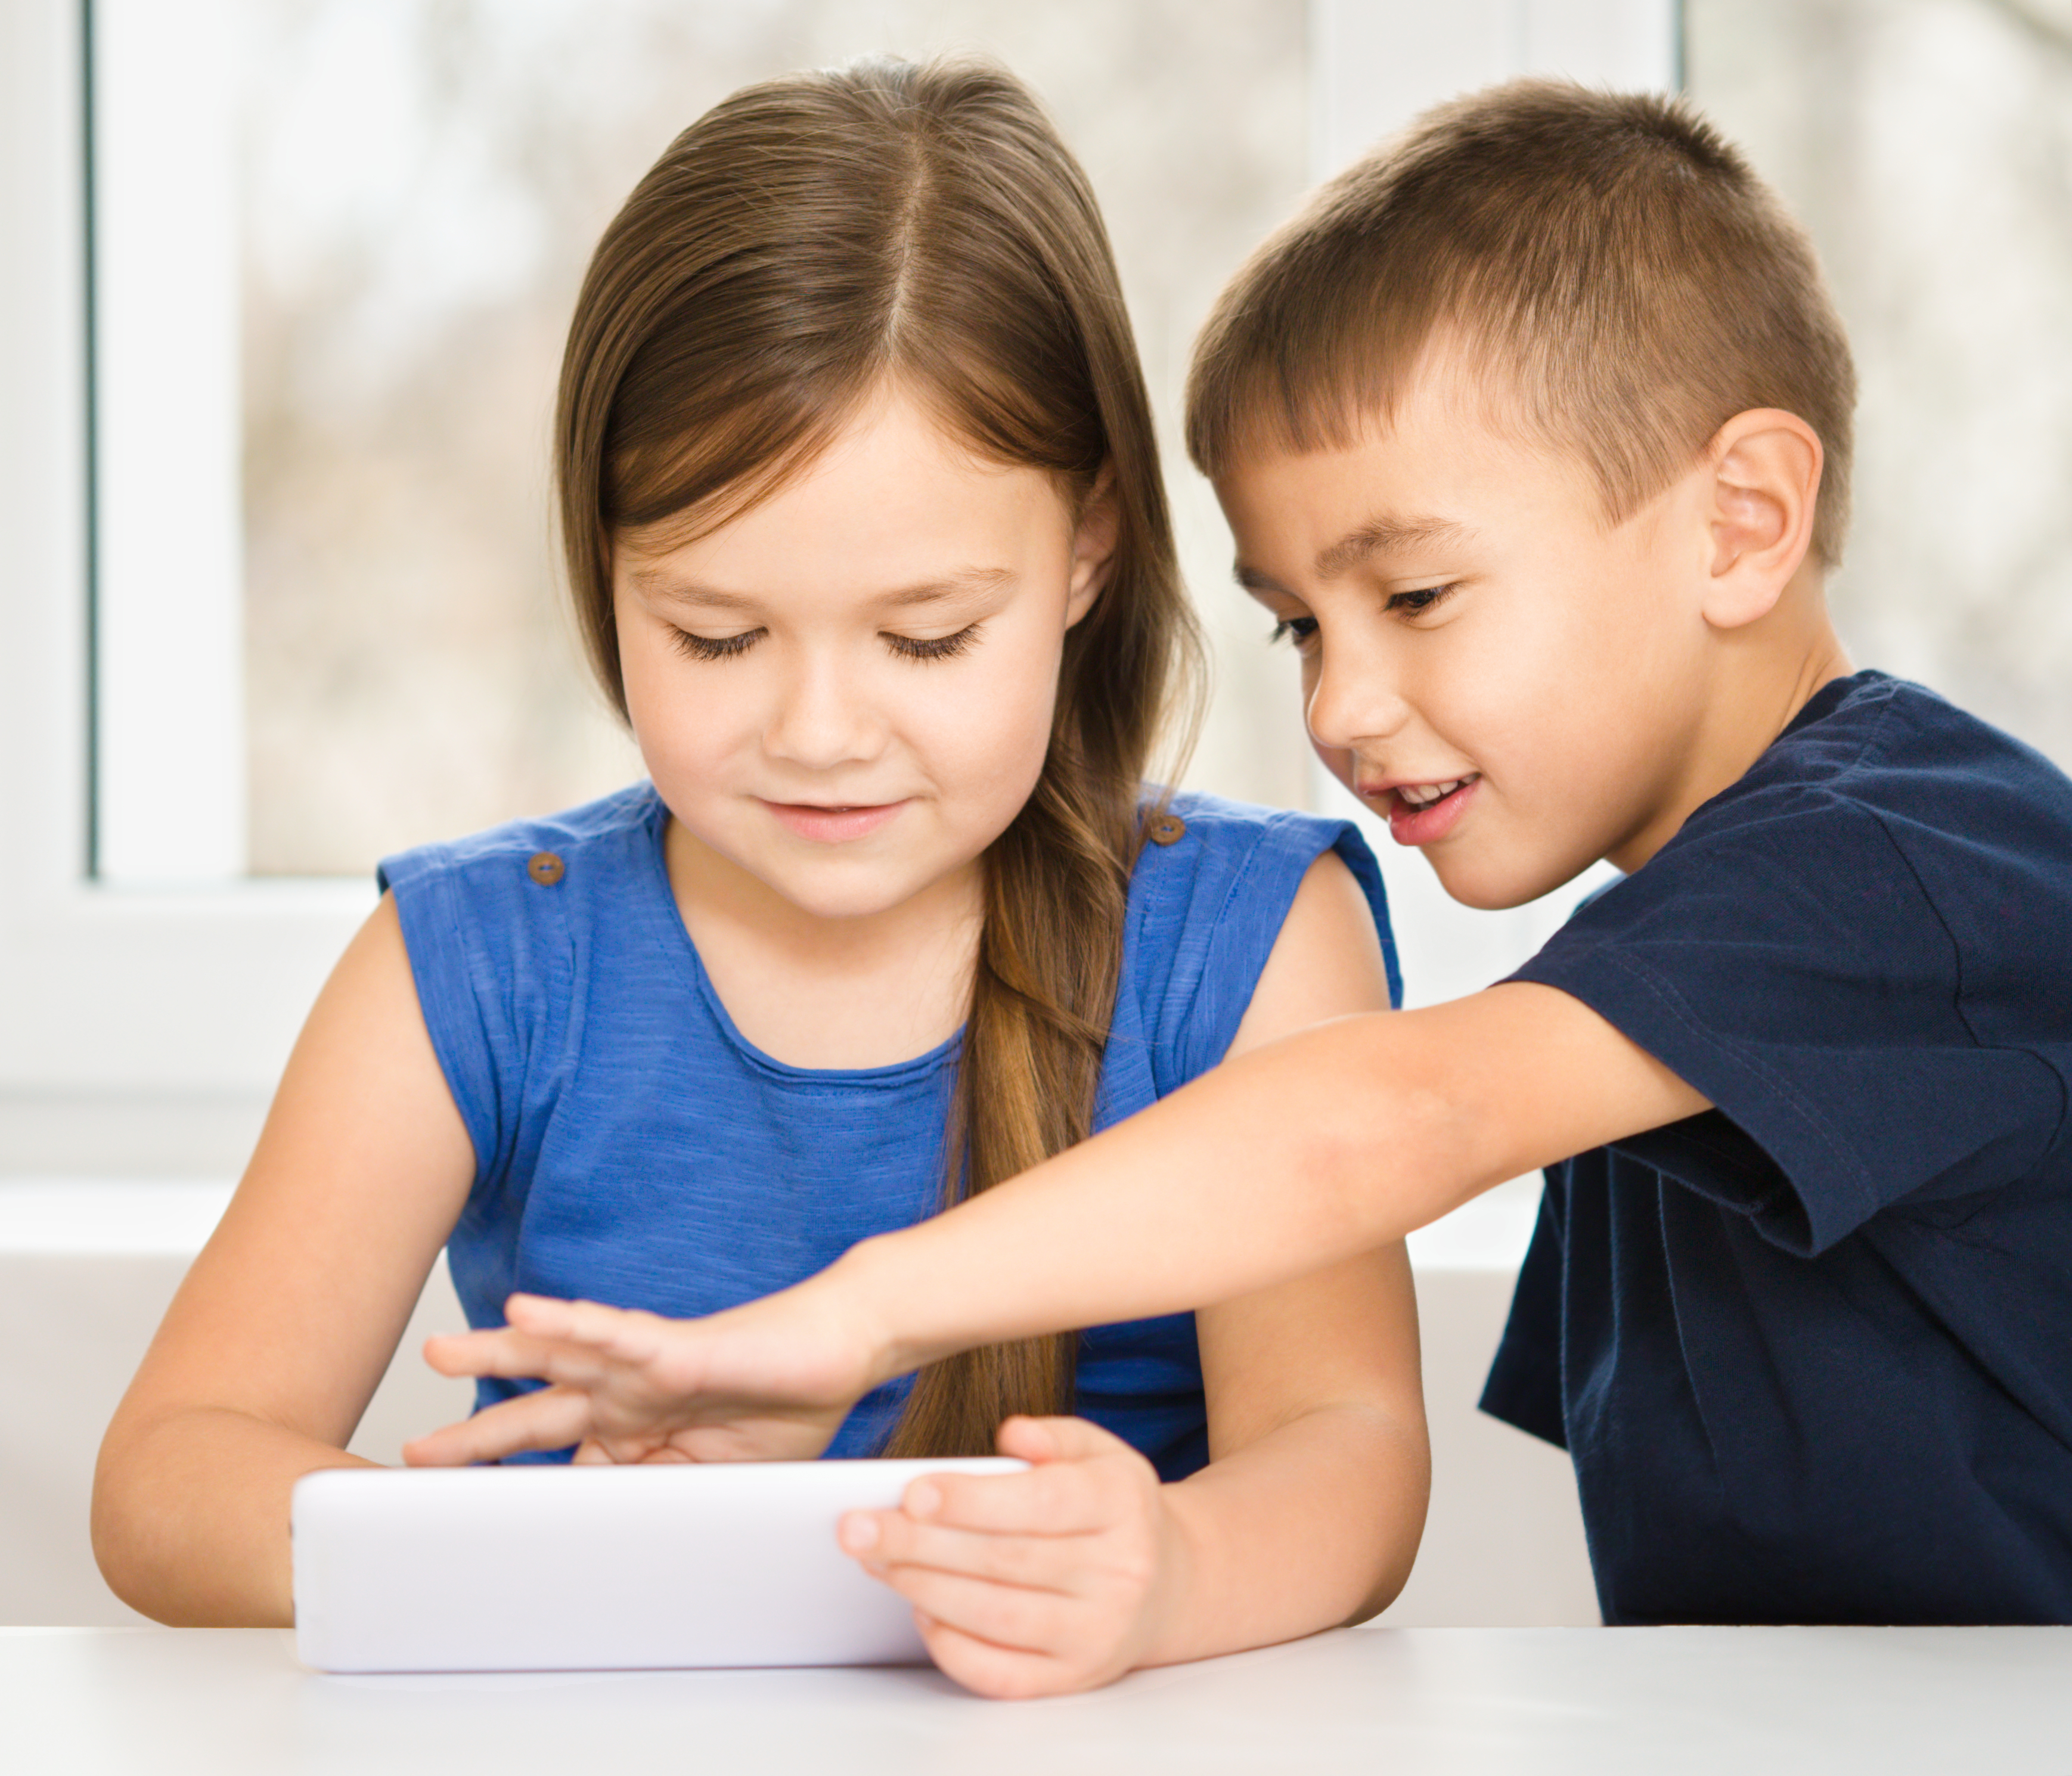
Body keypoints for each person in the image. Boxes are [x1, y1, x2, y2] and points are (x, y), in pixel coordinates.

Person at [410, 80, 2072, 1630]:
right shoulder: (1679, 977)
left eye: (1413, 595)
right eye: (1295, 628)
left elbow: (1390, 1119)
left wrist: (854, 1313)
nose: (1342, 707)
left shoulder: (1902, 868)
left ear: (1740, 523)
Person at [91, 58, 1434, 1696]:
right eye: (716, 635)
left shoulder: (1247, 944)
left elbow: (1350, 1453)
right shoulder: (475, 962)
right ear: (603, 564)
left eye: (926, 636)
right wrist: (544, 1575)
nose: (818, 733)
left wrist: (1175, 1575)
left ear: (1086, 546)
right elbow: (168, 1478)